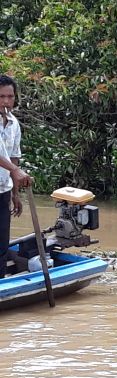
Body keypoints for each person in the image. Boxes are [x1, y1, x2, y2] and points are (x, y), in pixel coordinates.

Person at [0, 75, 28, 278]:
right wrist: (15, 170)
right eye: (1, 97)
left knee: (1, 245)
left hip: (3, 189)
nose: (6, 102)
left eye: (10, 96)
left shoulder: (13, 123)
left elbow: (14, 157)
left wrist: (15, 194)